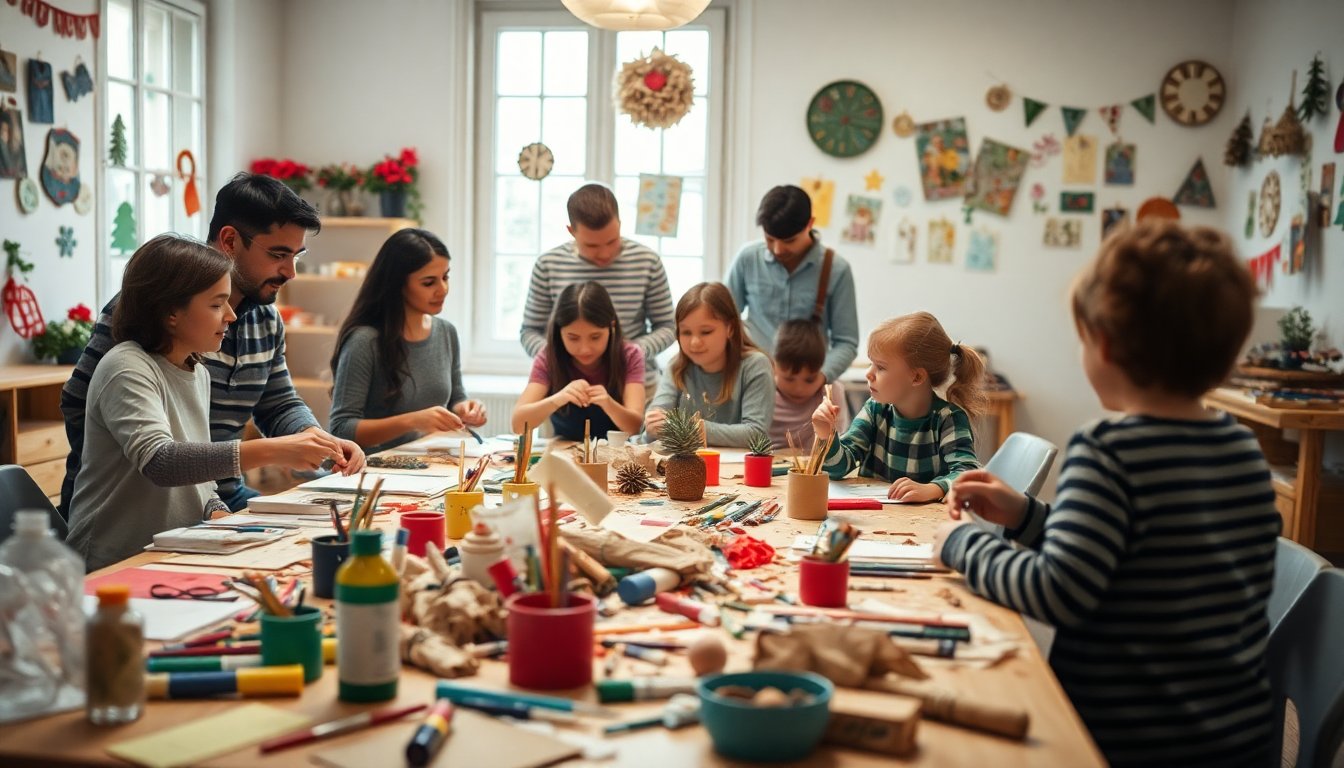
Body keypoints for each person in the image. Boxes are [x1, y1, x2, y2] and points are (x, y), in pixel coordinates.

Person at [934, 222, 1279, 767]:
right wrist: (1028, 516)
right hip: (1234, 740)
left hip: (1123, 741)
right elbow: (1144, 555)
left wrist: (960, 544)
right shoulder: (1242, 450)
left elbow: (1057, 591)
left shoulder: (1109, 449)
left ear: (1107, 346)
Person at [60, 173, 365, 514]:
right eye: (279, 254)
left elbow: (278, 404)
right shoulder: (147, 314)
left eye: (297, 255)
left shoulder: (265, 320)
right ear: (230, 241)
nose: (290, 271)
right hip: (138, 505)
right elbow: (83, 403)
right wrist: (138, 480)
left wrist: (316, 440)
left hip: (215, 495)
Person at [66, 236, 236, 570]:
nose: (230, 315)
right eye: (217, 305)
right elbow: (162, 462)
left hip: (171, 552)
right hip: (113, 563)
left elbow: (199, 485)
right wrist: (276, 450)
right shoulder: (126, 367)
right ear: (171, 312)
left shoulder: (197, 371)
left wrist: (225, 519)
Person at [329, 228, 486, 450]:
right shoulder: (365, 341)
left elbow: (456, 397)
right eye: (429, 282)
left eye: (445, 277)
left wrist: (466, 408)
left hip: (425, 465)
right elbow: (341, 428)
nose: (443, 289)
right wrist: (413, 421)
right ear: (397, 284)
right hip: (371, 472)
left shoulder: (446, 332)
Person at [812, 311, 984, 501]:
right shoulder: (874, 410)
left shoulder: (948, 418)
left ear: (917, 377)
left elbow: (968, 474)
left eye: (881, 367)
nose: (869, 374)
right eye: (871, 363)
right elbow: (838, 468)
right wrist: (826, 435)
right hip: (877, 518)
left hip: (926, 523)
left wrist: (933, 489)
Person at [519, 183, 675, 386]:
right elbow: (530, 331)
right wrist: (562, 357)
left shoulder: (647, 262)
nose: (605, 253)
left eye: (612, 240)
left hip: (635, 386)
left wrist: (629, 353)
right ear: (571, 231)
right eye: (592, 245)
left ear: (619, 223)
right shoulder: (548, 265)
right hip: (567, 389)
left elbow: (668, 327)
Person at [726, 184, 859, 382]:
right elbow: (724, 319)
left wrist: (818, 379)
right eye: (770, 239)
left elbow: (846, 342)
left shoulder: (837, 269)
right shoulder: (748, 259)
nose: (778, 249)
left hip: (806, 386)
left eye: (789, 240)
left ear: (810, 224)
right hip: (752, 378)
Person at [645, 283, 773, 448]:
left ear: (731, 328)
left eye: (706, 332)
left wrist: (691, 428)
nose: (695, 342)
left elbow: (756, 433)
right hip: (684, 467)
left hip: (737, 470)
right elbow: (653, 428)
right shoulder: (677, 366)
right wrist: (652, 426)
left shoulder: (755, 365)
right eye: (686, 332)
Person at [511, 281, 645, 440]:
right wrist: (558, 398)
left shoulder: (630, 355)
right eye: (573, 338)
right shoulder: (549, 357)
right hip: (563, 455)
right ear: (559, 331)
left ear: (611, 326)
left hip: (615, 454)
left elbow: (635, 427)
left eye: (595, 337)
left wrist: (609, 404)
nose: (585, 349)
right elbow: (518, 425)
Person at [770, 319, 848, 450]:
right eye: (789, 379)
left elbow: (839, 442)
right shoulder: (763, 390)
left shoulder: (830, 394)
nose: (799, 388)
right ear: (774, 365)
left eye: (810, 380)